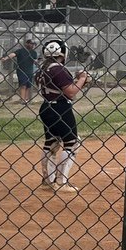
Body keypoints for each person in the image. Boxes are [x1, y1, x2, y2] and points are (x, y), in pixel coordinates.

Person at [35, 39, 90, 192]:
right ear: (62, 53)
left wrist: (78, 82)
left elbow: (60, 88)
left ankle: (48, 180)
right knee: (72, 142)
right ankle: (61, 182)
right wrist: (82, 79)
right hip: (60, 108)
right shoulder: (58, 69)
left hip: (46, 107)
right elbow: (71, 92)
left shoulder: (42, 69)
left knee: (51, 142)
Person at [1, 38, 39, 104]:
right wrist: (5, 58)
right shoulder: (21, 51)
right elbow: (13, 54)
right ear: (26, 44)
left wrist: (37, 62)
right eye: (31, 44)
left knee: (28, 86)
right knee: (23, 85)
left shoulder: (34, 52)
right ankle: (22, 100)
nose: (32, 45)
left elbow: (35, 61)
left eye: (33, 44)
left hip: (30, 71)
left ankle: (26, 99)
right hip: (21, 71)